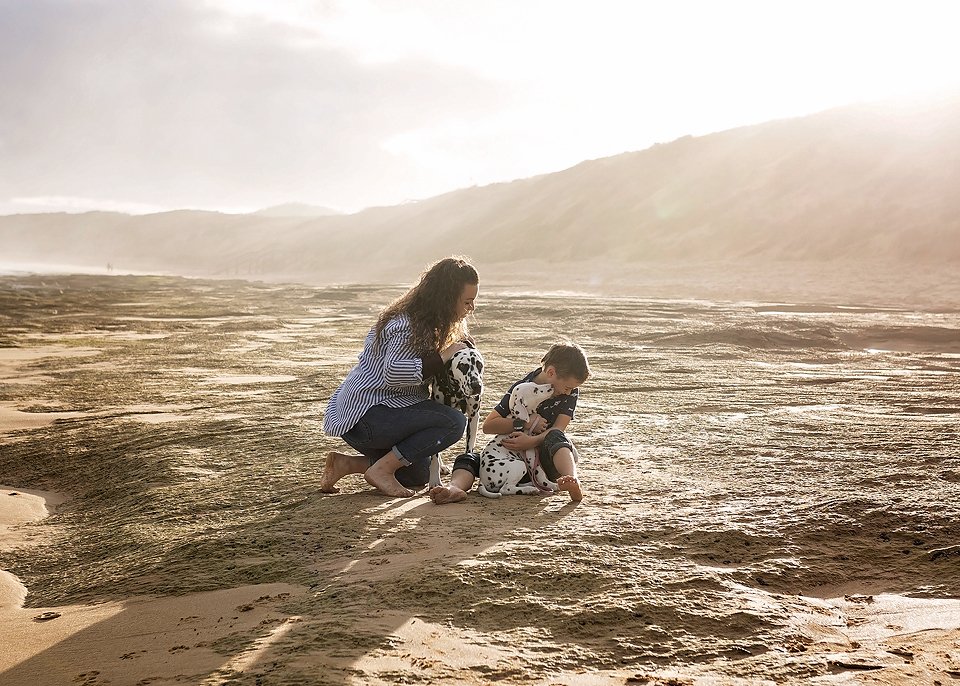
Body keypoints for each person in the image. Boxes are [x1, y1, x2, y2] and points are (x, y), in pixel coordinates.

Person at [320, 256, 479, 497]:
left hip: (383, 413)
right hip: (367, 415)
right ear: (446, 298)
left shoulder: (430, 323)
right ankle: (382, 469)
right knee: (454, 423)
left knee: (419, 473)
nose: (471, 309)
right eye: (467, 302)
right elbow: (392, 372)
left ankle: (346, 464)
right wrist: (445, 354)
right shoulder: (407, 324)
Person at [430, 341, 590, 504]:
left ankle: (572, 480)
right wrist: (523, 424)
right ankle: (454, 488)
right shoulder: (521, 389)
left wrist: (530, 441)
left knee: (557, 437)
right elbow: (489, 425)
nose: (569, 392)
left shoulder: (570, 393)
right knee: (469, 458)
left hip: (543, 462)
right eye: (567, 387)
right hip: (511, 463)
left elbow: (558, 429)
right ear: (551, 372)